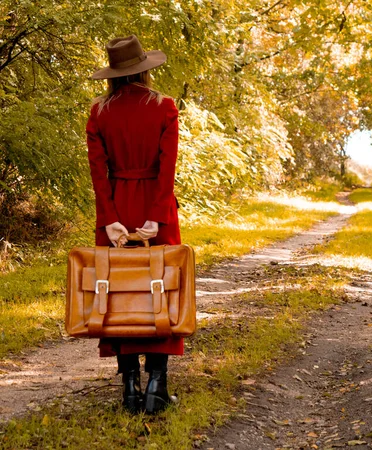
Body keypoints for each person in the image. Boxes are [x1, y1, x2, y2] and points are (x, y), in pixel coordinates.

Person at [86, 35, 182, 414]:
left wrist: (109, 220)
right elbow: (168, 167)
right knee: (162, 287)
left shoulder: (99, 113)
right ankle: (157, 387)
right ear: (144, 70)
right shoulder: (164, 107)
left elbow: (98, 172)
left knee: (118, 292)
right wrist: (156, 216)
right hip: (155, 208)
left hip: (116, 205)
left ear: (112, 74)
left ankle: (129, 388)